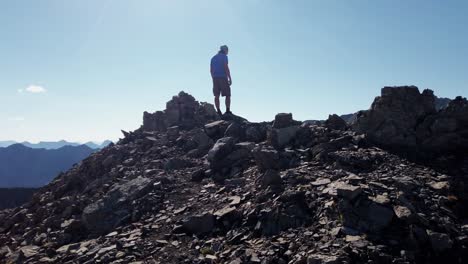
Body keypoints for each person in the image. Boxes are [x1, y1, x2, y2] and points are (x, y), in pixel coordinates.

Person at [210, 45, 232, 115]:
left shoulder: (213, 58)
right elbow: (226, 67)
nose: (228, 51)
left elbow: (211, 70)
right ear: (225, 50)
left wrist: (213, 77)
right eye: (227, 50)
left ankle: (218, 111)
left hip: (215, 78)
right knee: (227, 94)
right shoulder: (224, 57)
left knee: (216, 95)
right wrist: (229, 78)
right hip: (223, 77)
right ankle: (227, 110)